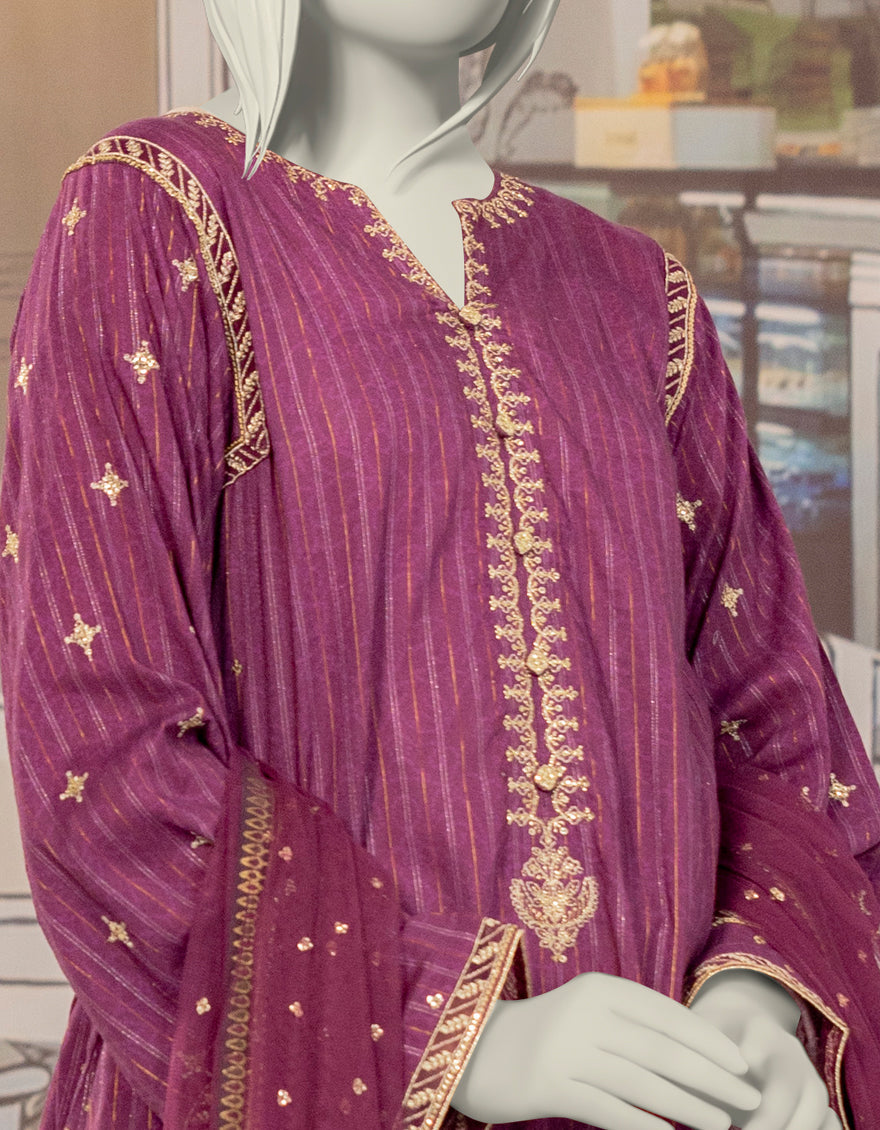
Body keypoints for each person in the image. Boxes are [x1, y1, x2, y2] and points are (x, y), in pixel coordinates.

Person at [3, 0, 880, 1127]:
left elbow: (774, 718)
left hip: (662, 1089)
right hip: (305, 1082)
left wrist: (754, 1006)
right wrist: (457, 1034)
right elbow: (100, 745)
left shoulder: (634, 291)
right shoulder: (156, 215)